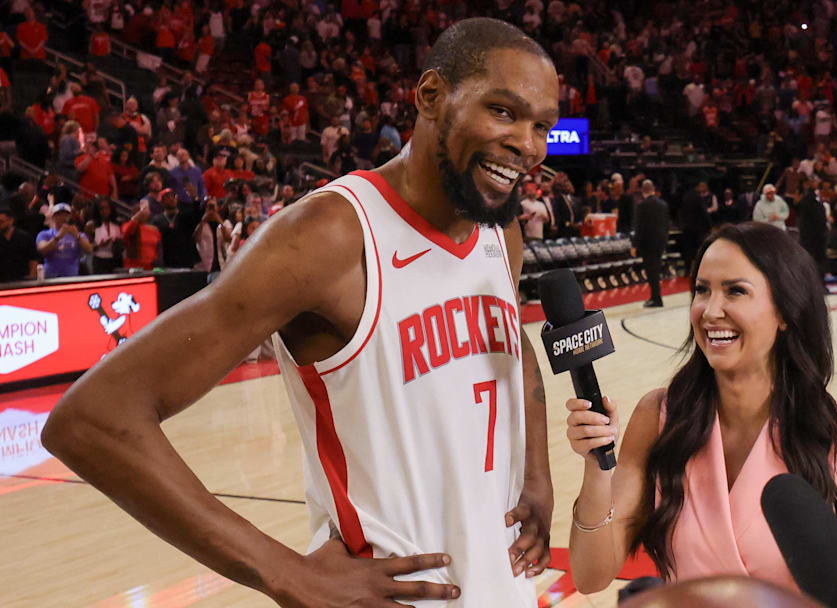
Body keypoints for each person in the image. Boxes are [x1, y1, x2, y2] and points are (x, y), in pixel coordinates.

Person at [43, 18, 556, 607]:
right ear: (431, 96)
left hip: (504, 585)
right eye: (503, 111)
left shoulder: (500, 226)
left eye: (542, 124)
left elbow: (513, 344)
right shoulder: (329, 236)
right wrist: (284, 572)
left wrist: (535, 475)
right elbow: (92, 419)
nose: (528, 144)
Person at [564, 223, 837, 605]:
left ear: (785, 311)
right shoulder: (659, 417)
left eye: (736, 291)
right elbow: (591, 574)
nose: (711, 311)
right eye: (702, 290)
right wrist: (597, 467)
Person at [633, 179, 670, 307]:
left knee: (651, 272)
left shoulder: (641, 206)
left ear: (643, 191)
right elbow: (666, 225)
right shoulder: (663, 204)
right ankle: (656, 297)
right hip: (660, 243)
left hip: (647, 244)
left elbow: (638, 228)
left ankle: (656, 298)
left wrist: (634, 245)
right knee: (656, 270)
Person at [36, 202, 92, 278]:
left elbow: (89, 250)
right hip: (50, 277)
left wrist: (77, 237)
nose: (62, 217)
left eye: (65, 215)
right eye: (58, 215)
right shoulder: (45, 234)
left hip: (71, 277)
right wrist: (58, 237)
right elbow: (42, 249)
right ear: (53, 217)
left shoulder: (79, 235)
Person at [0, 205, 39, 281]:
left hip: (22, 280)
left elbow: (33, 259)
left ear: (11, 221)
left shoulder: (24, 237)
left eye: (1, 222)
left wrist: (32, 278)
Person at [88, 196, 124, 274]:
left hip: (116, 260)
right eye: (102, 208)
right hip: (99, 261)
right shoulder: (91, 225)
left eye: (107, 208)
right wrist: (100, 245)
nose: (105, 211)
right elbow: (88, 248)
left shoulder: (118, 223)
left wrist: (118, 242)